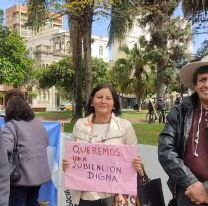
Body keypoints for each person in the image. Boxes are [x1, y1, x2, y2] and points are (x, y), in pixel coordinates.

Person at [63, 83, 142, 206]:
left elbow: (134, 161)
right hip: (83, 197)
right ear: (91, 101)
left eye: (108, 98)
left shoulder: (125, 126)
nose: (103, 101)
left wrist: (136, 165)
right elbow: (72, 158)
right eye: (99, 97)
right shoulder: (80, 125)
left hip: (114, 198)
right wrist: (67, 165)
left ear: (114, 104)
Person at [158, 61, 208, 206]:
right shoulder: (180, 112)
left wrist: (206, 190)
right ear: (195, 85)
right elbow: (165, 150)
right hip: (187, 190)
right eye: (202, 79)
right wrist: (191, 182)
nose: (206, 84)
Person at [3, 89, 51, 206]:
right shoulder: (38, 123)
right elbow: (46, 142)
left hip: (20, 178)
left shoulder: (12, 125)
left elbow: (5, 148)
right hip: (38, 176)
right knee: (32, 202)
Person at [0, 127, 10, 206]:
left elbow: (8, 147)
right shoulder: (38, 124)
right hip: (37, 174)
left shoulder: (11, 126)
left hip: (20, 176)